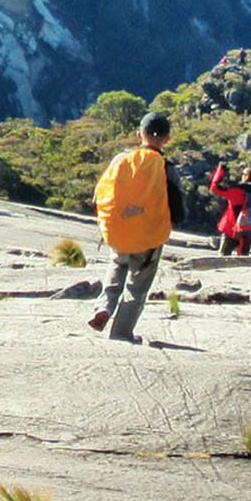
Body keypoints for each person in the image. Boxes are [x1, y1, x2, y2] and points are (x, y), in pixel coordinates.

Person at [87, 111, 179, 341]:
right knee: (137, 286)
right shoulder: (167, 168)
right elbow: (178, 206)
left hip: (119, 232)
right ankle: (122, 332)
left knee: (117, 266)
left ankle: (104, 307)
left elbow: (100, 194)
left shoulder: (120, 160)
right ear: (167, 139)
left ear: (139, 135)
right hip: (149, 238)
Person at [208, 160, 251, 256]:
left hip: (231, 230)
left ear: (246, 176)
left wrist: (221, 170)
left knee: (222, 259)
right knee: (244, 261)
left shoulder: (237, 191)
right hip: (247, 232)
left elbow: (214, 187)